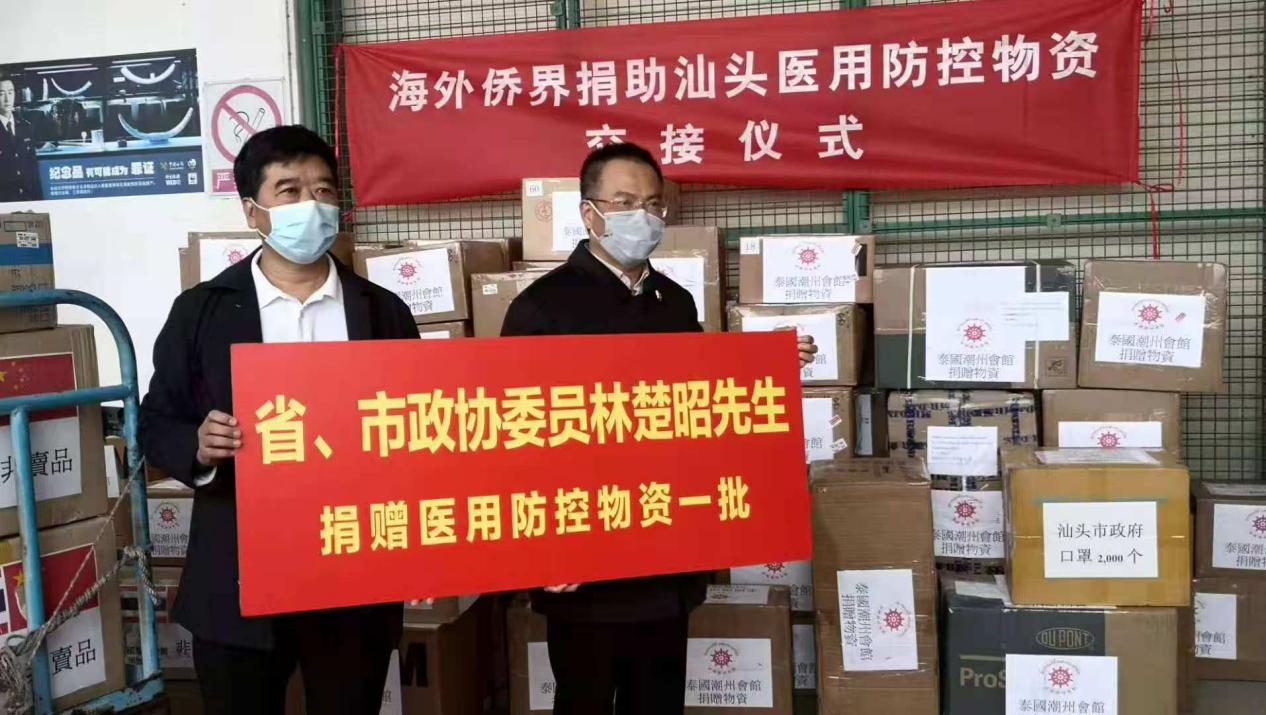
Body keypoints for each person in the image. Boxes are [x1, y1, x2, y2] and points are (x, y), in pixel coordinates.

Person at [501, 142, 817, 714]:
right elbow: (516, 441)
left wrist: (763, 365)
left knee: (659, 699)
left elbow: (693, 404)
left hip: (665, 550)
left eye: (652, 204)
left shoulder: (674, 302)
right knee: (585, 700)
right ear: (589, 212)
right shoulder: (541, 309)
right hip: (584, 560)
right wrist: (544, 545)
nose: (641, 216)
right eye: (624, 202)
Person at [140, 125, 418, 714]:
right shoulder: (202, 312)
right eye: (288, 191)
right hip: (237, 574)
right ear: (253, 211)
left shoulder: (383, 312)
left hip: (352, 572)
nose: (310, 204)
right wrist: (198, 445)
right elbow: (156, 420)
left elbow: (420, 424)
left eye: (323, 190)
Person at [0, 74, 43, 202]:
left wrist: (39, 201)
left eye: (10, 92)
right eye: (1, 94)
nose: (7, 99)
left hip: (28, 198)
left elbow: (33, 169)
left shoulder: (25, 126)